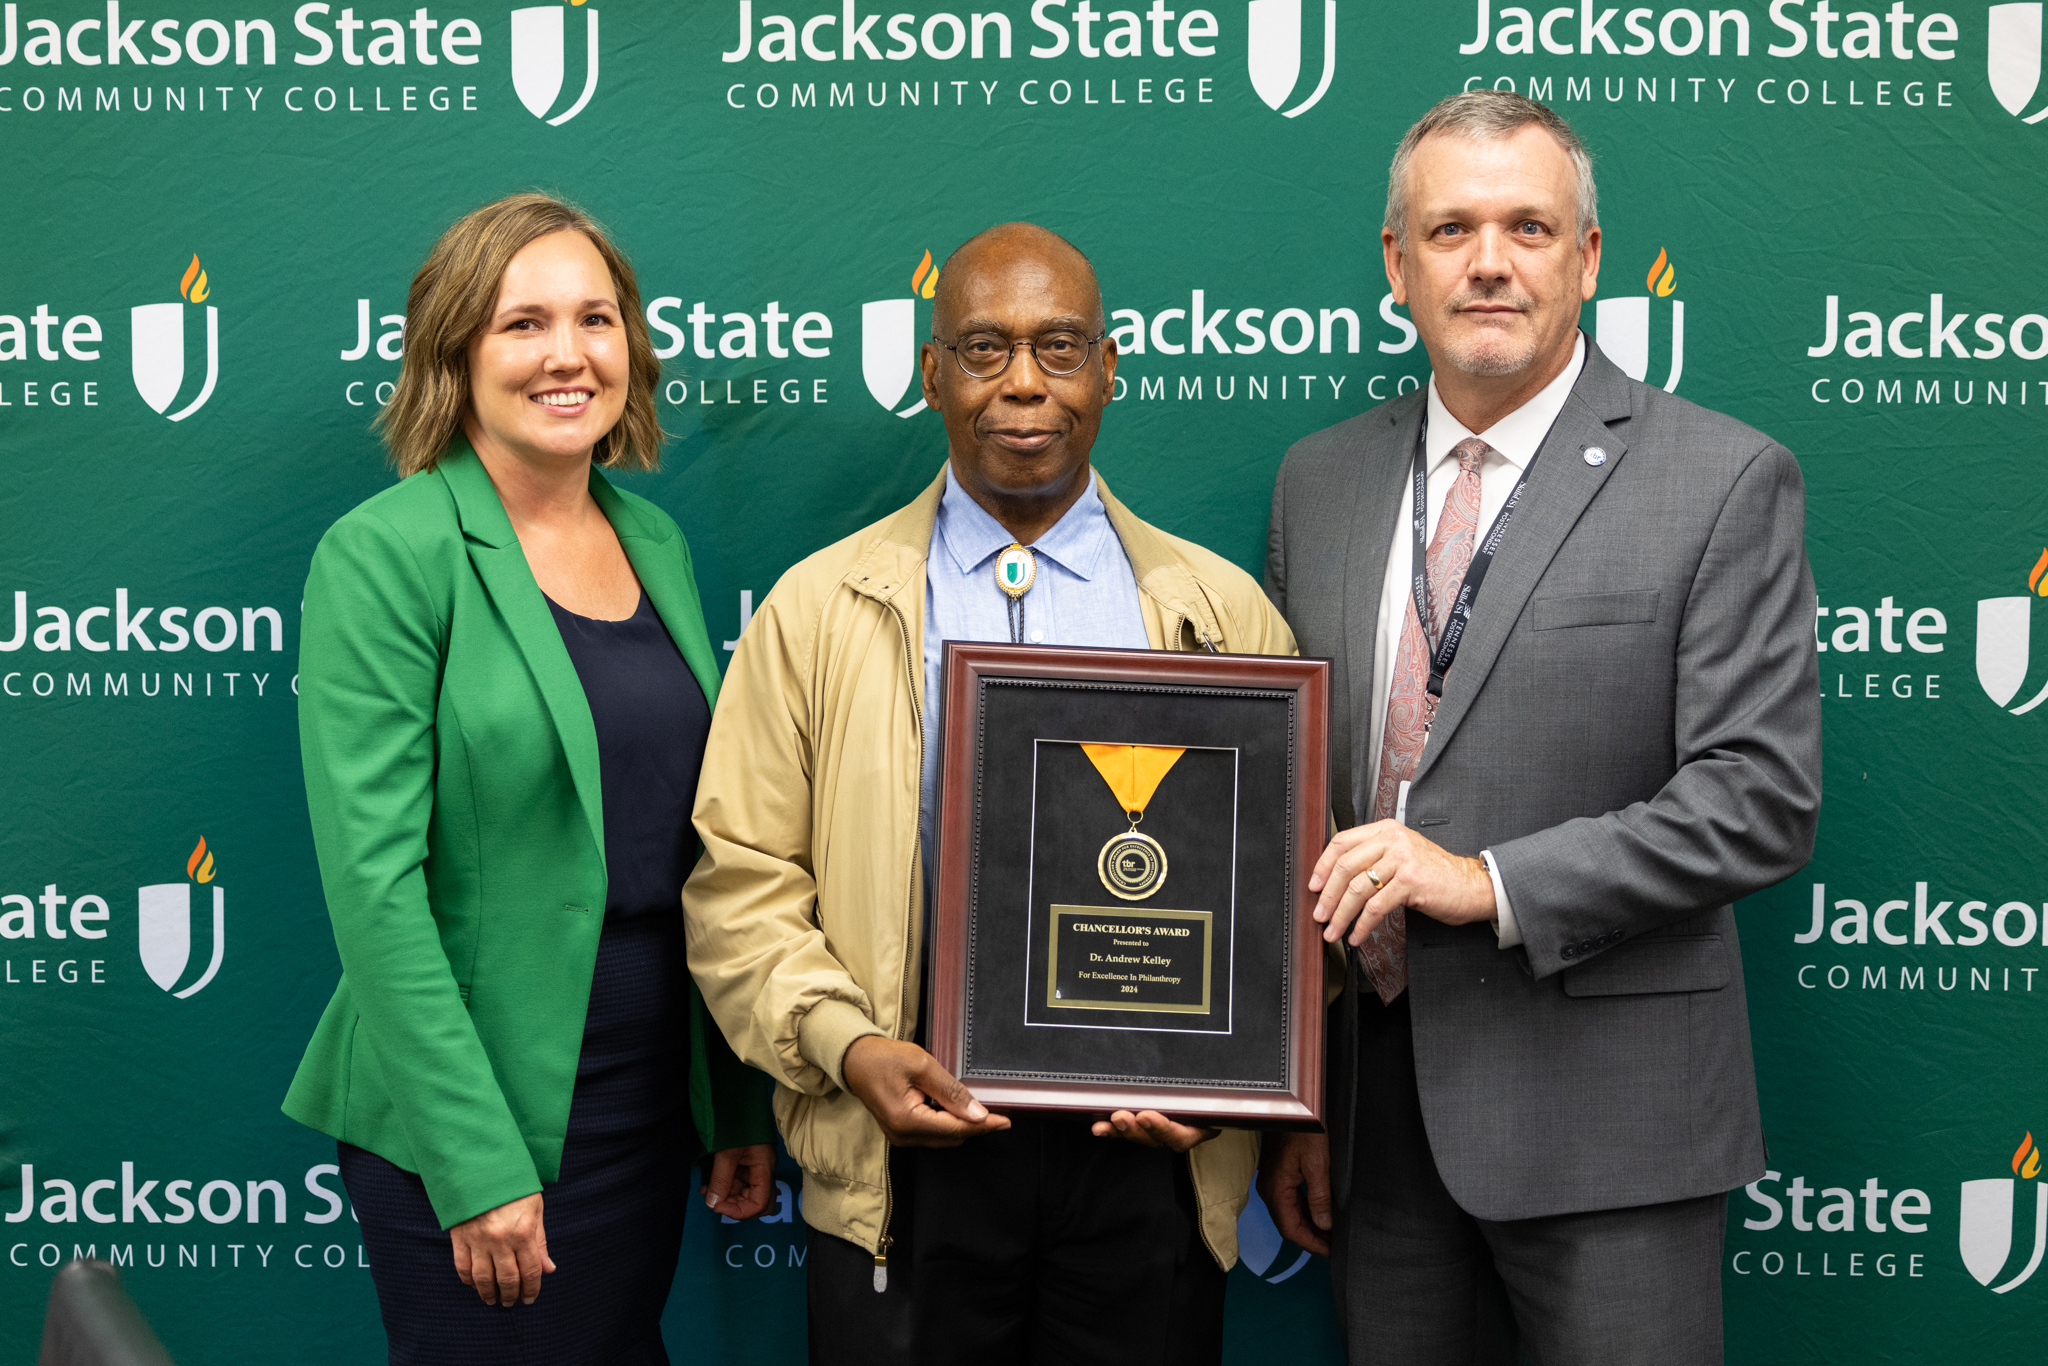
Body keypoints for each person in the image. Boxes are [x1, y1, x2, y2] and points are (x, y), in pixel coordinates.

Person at [1258, 92, 1822, 1364]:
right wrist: (1287, 1092)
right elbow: (1289, 791)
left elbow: (1757, 797)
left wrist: (1482, 881)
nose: (1490, 262)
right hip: (1376, 1119)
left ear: (1586, 255)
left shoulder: (1720, 477)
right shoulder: (1320, 478)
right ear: (1397, 265)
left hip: (1609, 1125)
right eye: (1450, 229)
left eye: (1527, 225)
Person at [682, 222, 1296, 1365]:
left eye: (1058, 347)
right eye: (983, 347)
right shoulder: (816, 615)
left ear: (1109, 368)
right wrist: (846, 1043)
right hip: (903, 1149)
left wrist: (1233, 1083)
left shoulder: (1217, 616)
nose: (1022, 382)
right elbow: (740, 889)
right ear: (931, 374)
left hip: (1147, 1162)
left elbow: (1278, 901)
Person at [282, 193, 777, 1365]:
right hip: (480, 1120)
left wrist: (734, 1098)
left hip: (646, 1095)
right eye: (523, 324)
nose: (568, 354)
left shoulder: (649, 538)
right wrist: (474, 1165)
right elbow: (375, 889)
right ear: (456, 353)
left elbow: (686, 841)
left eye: (595, 319)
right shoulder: (386, 552)